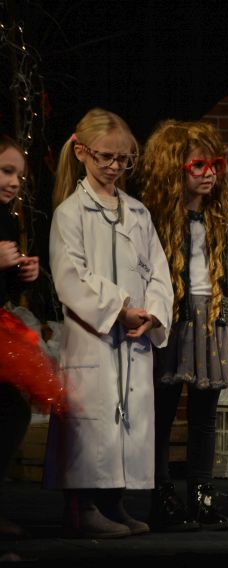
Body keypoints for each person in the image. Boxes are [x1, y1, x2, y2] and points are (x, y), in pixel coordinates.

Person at [46, 108, 173, 538]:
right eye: (107, 157)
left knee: (128, 418)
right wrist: (119, 307)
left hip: (133, 337)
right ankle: (81, 508)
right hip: (93, 337)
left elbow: (159, 273)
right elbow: (71, 278)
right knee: (92, 422)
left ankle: (113, 503)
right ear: (81, 152)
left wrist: (153, 312)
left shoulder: (138, 213)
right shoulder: (70, 213)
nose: (116, 166)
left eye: (124, 159)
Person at [139, 121, 228, 531]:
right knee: (164, 411)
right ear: (176, 170)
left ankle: (201, 496)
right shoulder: (160, 219)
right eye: (198, 166)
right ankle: (162, 496)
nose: (209, 174)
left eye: (214, 165)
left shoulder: (218, 218)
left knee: (206, 416)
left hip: (212, 320)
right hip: (175, 321)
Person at [0, 135, 62, 539]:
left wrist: (23, 274)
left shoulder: (6, 218)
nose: (14, 182)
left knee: (12, 413)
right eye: (6, 171)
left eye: (18, 176)